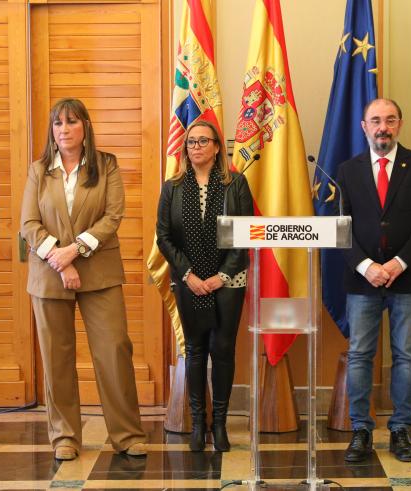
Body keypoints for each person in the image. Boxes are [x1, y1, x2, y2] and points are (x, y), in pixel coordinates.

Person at [20, 98, 147, 461]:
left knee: (114, 352)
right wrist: (61, 262)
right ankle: (65, 437)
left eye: (72, 122)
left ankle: (127, 434)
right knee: (56, 358)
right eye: (58, 124)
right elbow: (29, 225)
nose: (64, 130)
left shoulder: (106, 165)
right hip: (49, 275)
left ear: (85, 127)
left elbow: (112, 216)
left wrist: (73, 251)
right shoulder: (38, 170)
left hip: (99, 272)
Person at [336, 98, 411, 463]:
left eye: (390, 120)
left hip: (407, 279)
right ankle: (361, 430)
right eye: (376, 120)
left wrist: (398, 263)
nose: (383, 127)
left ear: (400, 124)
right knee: (361, 356)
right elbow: (341, 228)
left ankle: (400, 430)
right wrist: (367, 266)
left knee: (406, 356)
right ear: (364, 126)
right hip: (363, 280)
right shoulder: (347, 170)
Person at [156, 121, 253, 452]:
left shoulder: (235, 184)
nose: (195, 146)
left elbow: (245, 234)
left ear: (216, 147)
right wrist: (189, 275)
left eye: (203, 141)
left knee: (223, 350)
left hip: (228, 280)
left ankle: (221, 425)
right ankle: (199, 424)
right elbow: (164, 237)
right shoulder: (173, 187)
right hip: (189, 281)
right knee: (195, 351)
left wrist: (221, 277)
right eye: (191, 142)